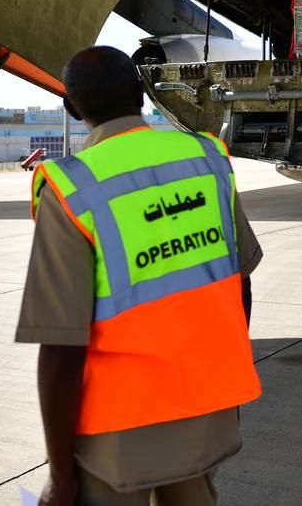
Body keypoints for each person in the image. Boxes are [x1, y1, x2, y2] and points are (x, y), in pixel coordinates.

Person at [16, 46, 263, 506]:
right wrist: (224, 392)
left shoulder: (73, 187)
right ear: (142, 93)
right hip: (202, 414)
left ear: (72, 107)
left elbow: (60, 346)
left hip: (117, 433)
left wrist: (61, 476)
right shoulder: (206, 159)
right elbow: (240, 286)